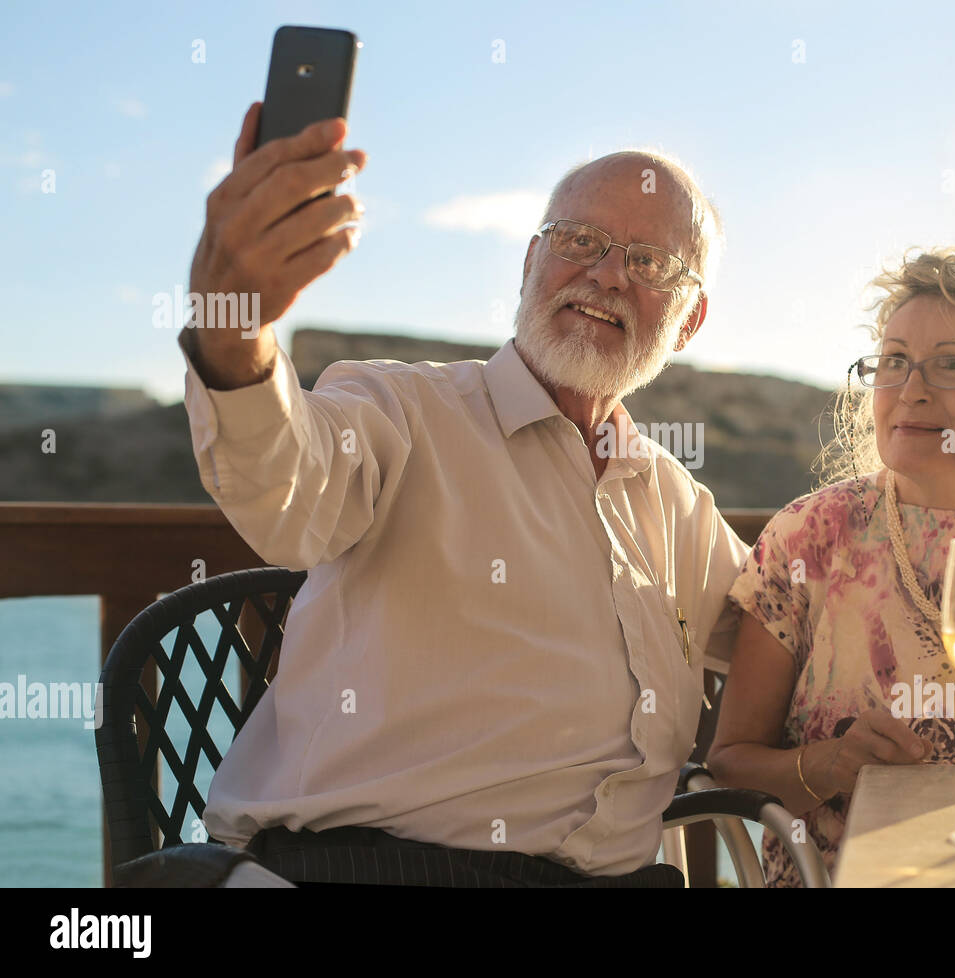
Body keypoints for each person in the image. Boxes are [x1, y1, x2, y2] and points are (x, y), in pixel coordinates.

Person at [178, 104, 749, 887]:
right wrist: (231, 321)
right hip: (370, 871)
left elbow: (800, 631)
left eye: (650, 263)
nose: (608, 273)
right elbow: (284, 484)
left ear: (689, 322)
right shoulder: (400, 413)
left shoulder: (679, 504)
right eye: (580, 240)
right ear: (529, 263)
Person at [706, 247, 955, 887]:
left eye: (950, 365)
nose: (911, 389)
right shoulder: (810, 535)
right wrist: (828, 764)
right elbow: (728, 761)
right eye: (894, 362)